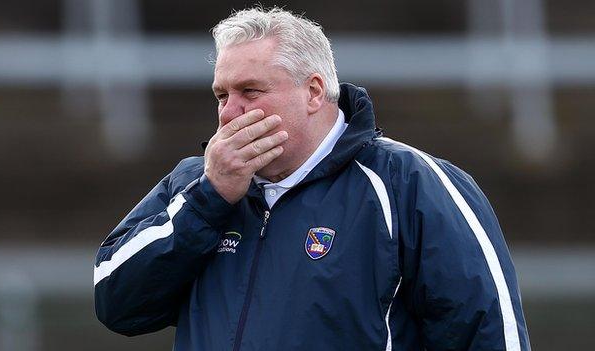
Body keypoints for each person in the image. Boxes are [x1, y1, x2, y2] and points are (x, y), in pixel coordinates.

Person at [93, 7, 531, 351]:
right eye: (221, 95)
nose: (229, 112)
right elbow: (117, 303)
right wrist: (210, 200)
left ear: (315, 92)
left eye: (251, 91)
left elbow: (488, 335)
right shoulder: (195, 185)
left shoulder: (410, 184)